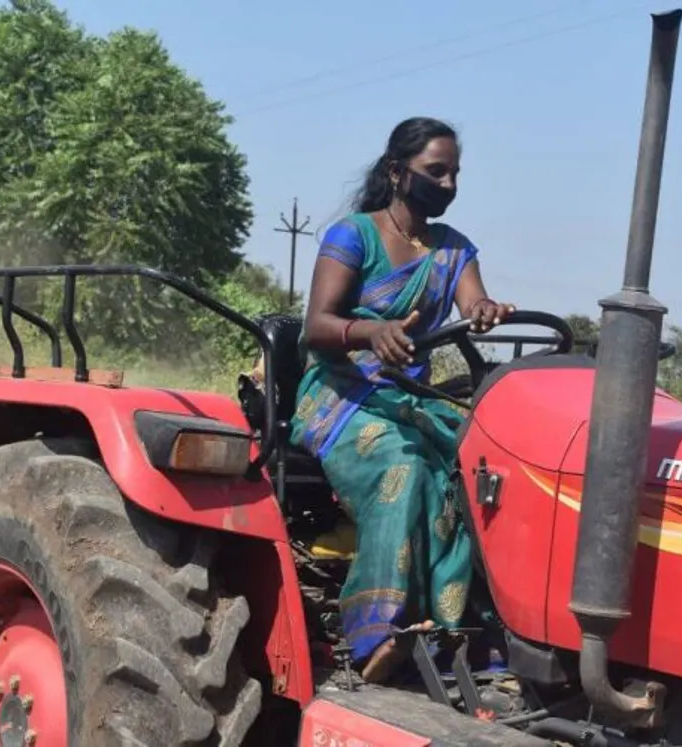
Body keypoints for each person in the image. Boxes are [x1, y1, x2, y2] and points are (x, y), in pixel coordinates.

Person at [269, 116, 514, 683]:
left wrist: (484, 312)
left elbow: (472, 300)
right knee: (402, 465)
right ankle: (377, 633)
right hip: (340, 394)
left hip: (407, 396)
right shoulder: (353, 235)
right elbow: (318, 327)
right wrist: (368, 332)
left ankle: (464, 631)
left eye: (455, 173)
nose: (449, 184)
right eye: (436, 172)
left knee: (473, 467)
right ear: (397, 173)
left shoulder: (454, 250)